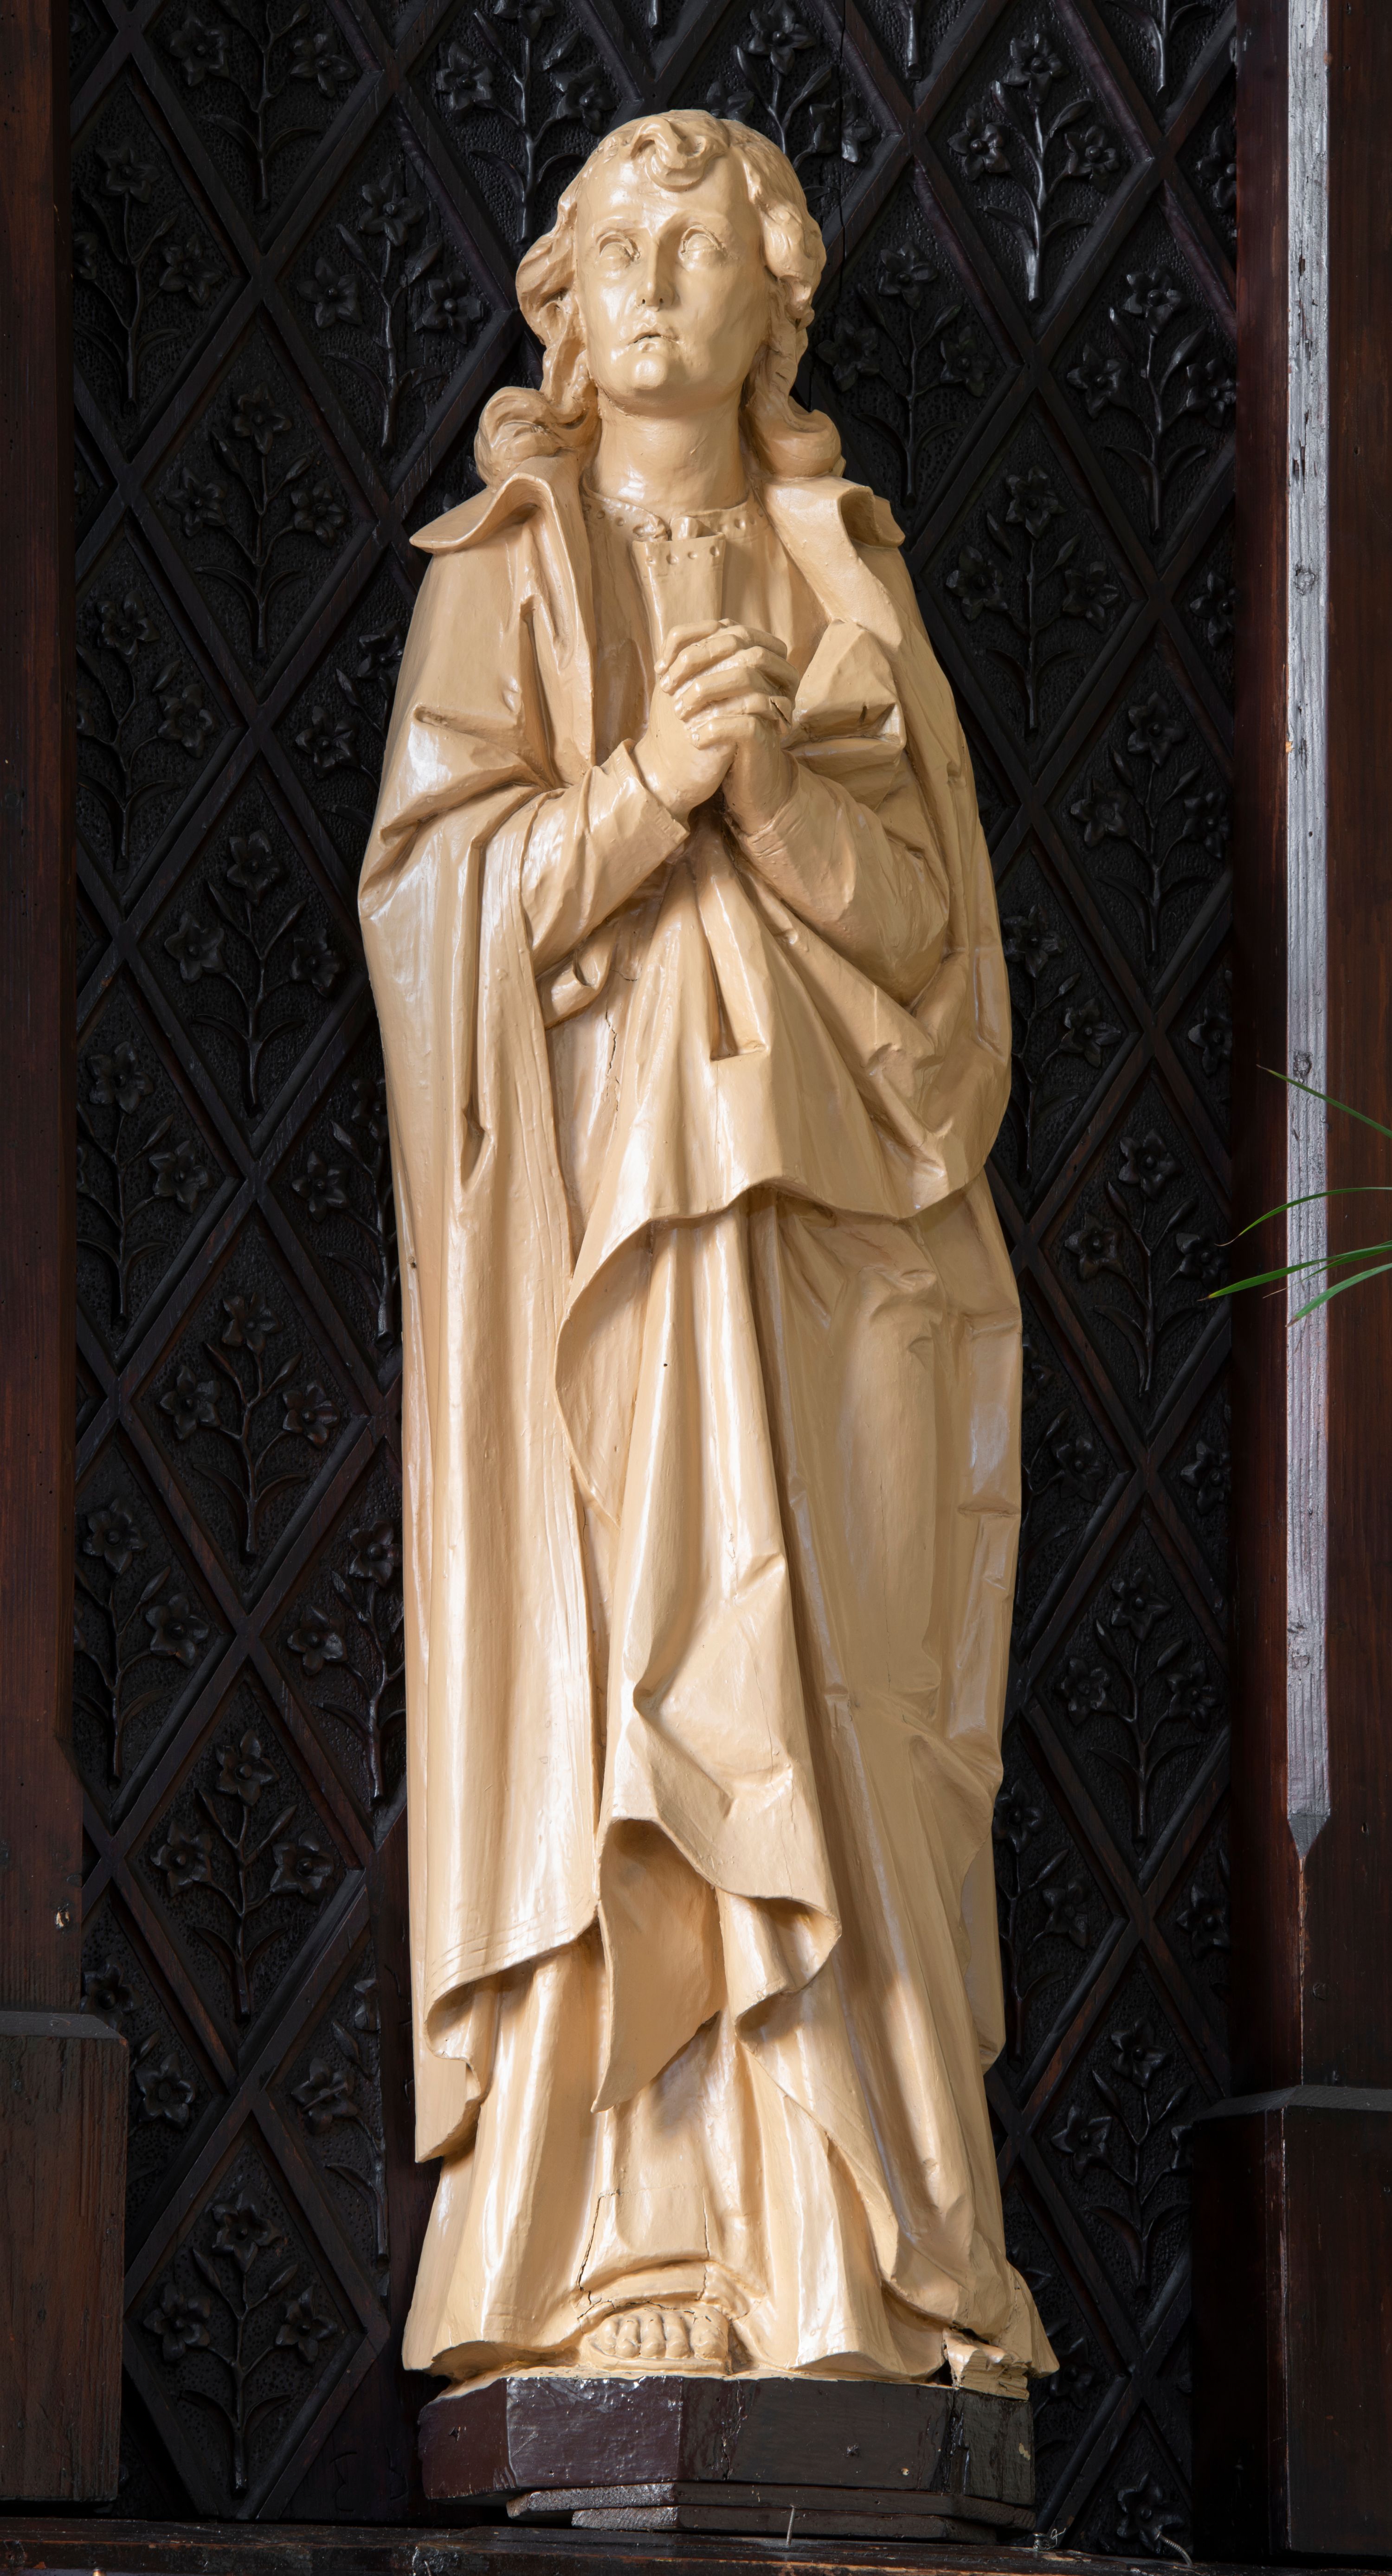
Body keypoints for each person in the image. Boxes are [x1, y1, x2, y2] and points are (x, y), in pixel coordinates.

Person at [359, 108, 1054, 2389]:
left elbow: (941, 953)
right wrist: (646, 790)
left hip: (851, 1241)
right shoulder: (510, 571)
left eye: (703, 247)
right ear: (564, 306)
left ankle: (858, 2245)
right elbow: (432, 914)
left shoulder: (844, 576)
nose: (656, 282)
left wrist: (774, 800)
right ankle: (629, 2231)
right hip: (612, 1255)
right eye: (619, 247)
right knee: (649, 1682)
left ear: (780, 309)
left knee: (852, 1703)